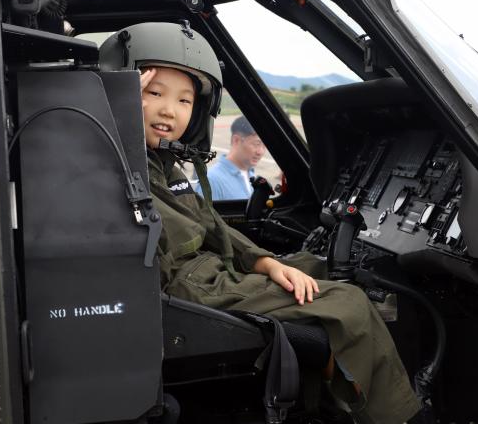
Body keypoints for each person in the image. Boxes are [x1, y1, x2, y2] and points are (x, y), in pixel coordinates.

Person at [99, 22, 421, 424]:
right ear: (118, 95)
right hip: (187, 287)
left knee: (322, 268)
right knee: (350, 303)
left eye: (185, 100)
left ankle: (344, 387)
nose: (170, 110)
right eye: (152, 93)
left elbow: (211, 223)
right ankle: (395, 416)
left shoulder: (162, 163)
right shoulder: (120, 165)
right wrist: (117, 109)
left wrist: (267, 262)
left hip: (206, 272)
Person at [196, 116, 265, 200]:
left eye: (264, 146)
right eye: (256, 144)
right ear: (236, 140)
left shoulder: (250, 173)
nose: (260, 152)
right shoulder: (212, 181)